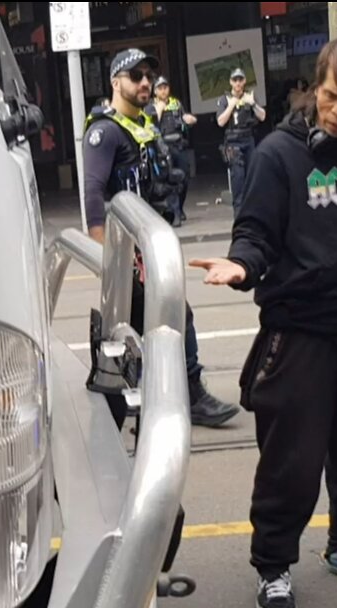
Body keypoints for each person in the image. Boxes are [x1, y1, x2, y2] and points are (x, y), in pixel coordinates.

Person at [188, 32, 337, 608]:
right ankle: (272, 565)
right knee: (291, 457)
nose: (336, 110)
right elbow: (258, 232)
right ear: (315, 86)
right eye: (328, 94)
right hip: (297, 330)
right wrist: (241, 264)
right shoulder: (278, 154)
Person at [83, 48, 240, 429]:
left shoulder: (145, 124)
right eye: (134, 75)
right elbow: (92, 195)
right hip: (128, 251)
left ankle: (124, 403)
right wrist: (110, 261)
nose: (144, 82)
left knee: (142, 324)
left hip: (150, 241)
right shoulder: (105, 132)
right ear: (115, 82)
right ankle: (182, 394)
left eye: (148, 76)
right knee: (166, 315)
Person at [147, 76, 197, 226]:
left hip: (179, 145)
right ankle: (173, 212)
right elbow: (151, 125)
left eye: (165, 87)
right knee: (169, 179)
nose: (163, 91)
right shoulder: (150, 106)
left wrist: (188, 120)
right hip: (163, 148)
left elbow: (183, 120)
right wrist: (160, 110)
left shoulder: (176, 104)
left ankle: (179, 209)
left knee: (184, 178)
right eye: (160, 88)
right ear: (155, 91)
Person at [216, 68, 266, 213]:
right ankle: (239, 215)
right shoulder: (224, 99)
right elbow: (220, 122)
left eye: (240, 80)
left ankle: (253, 212)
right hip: (233, 143)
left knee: (252, 176)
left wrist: (253, 104)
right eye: (235, 80)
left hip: (248, 140)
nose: (238, 83)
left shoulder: (250, 96)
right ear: (231, 82)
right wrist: (232, 104)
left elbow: (262, 117)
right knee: (238, 179)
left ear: (244, 81)